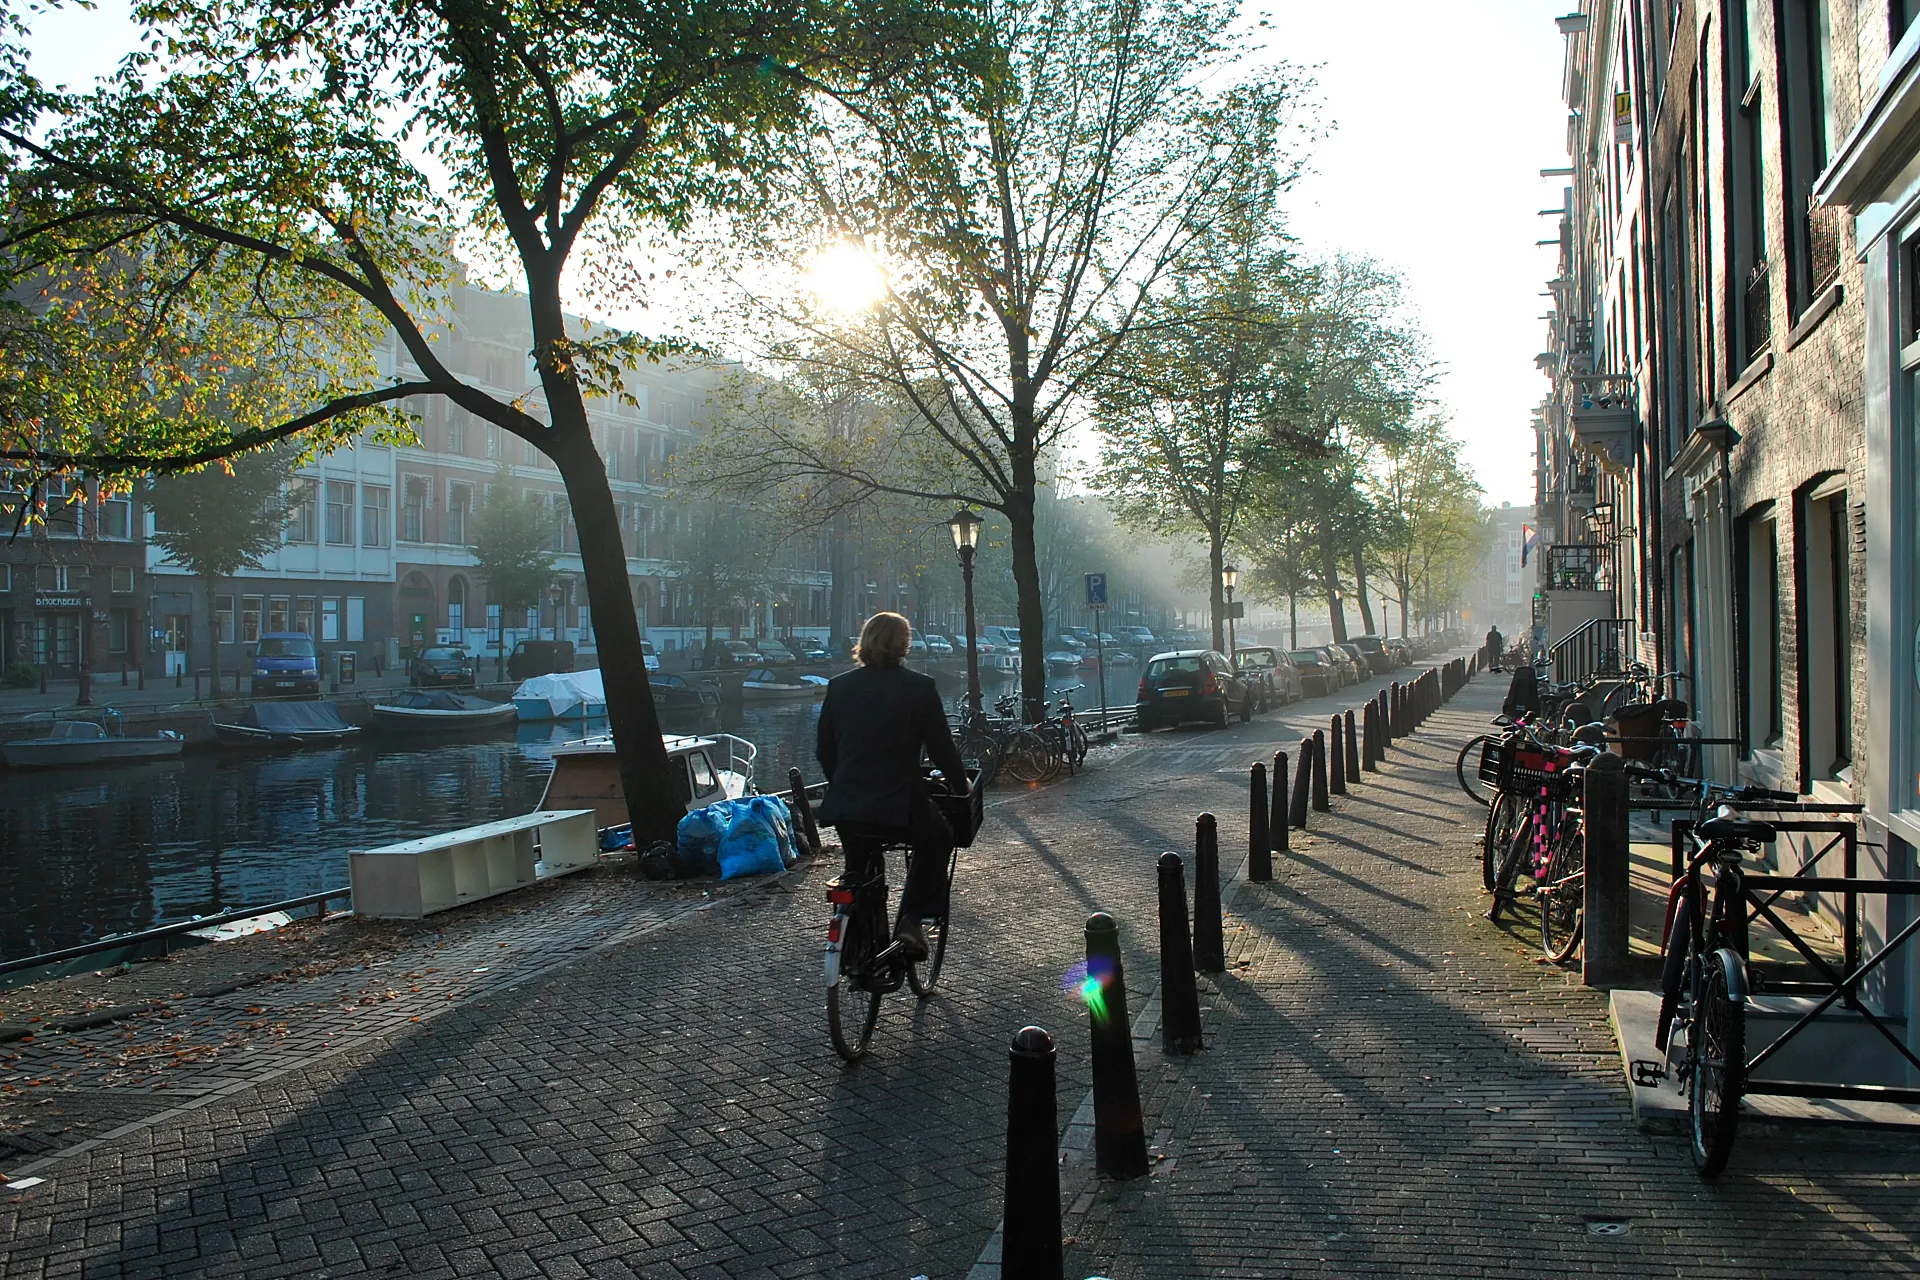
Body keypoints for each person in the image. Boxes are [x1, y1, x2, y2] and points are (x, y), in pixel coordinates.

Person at [816, 612, 968, 960]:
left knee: (859, 868)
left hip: (848, 804)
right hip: (900, 802)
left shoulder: (839, 686)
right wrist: (961, 788)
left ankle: (856, 944)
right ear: (904, 645)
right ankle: (911, 921)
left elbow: (824, 750)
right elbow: (942, 749)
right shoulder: (919, 687)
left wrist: (843, 783)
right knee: (938, 839)